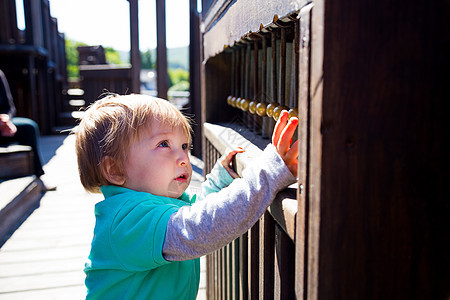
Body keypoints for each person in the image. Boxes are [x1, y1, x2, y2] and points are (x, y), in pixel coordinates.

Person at [75, 94, 299, 299]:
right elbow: (198, 227)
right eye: (164, 144)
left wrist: (219, 182)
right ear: (115, 170)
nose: (183, 158)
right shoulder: (126, 221)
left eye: (184, 146)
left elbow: (198, 211)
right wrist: (267, 173)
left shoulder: (158, 203)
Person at [0, 69, 45, 178]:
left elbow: (10, 106)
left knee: (29, 127)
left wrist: (7, 119)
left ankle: (38, 176)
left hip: (2, 123)